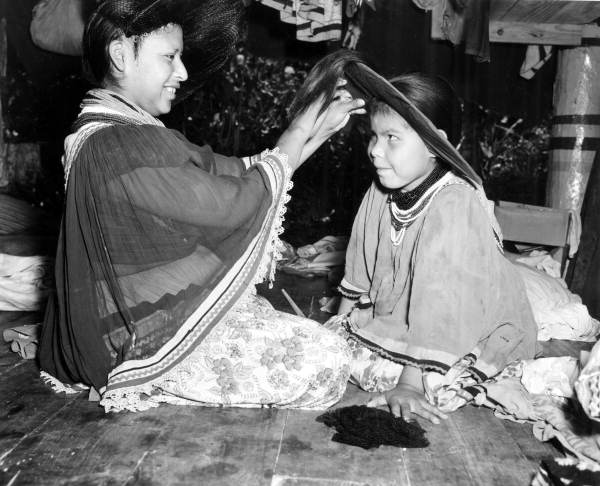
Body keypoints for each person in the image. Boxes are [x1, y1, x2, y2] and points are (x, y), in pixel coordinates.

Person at [39, 0, 365, 412]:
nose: (183, 72)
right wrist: (301, 129)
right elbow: (229, 203)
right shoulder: (113, 144)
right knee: (327, 360)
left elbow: (233, 171)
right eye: (170, 57)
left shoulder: (123, 131)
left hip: (133, 316)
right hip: (123, 339)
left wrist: (317, 130)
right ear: (121, 55)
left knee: (311, 341)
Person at [292, 54, 537, 424]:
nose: (375, 150)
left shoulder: (455, 203)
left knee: (424, 379)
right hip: (402, 317)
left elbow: (446, 304)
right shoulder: (381, 190)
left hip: (464, 323)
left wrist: (410, 383)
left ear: (435, 144)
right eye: (374, 136)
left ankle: (420, 371)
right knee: (321, 352)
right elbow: (360, 267)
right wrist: (336, 335)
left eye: (392, 138)